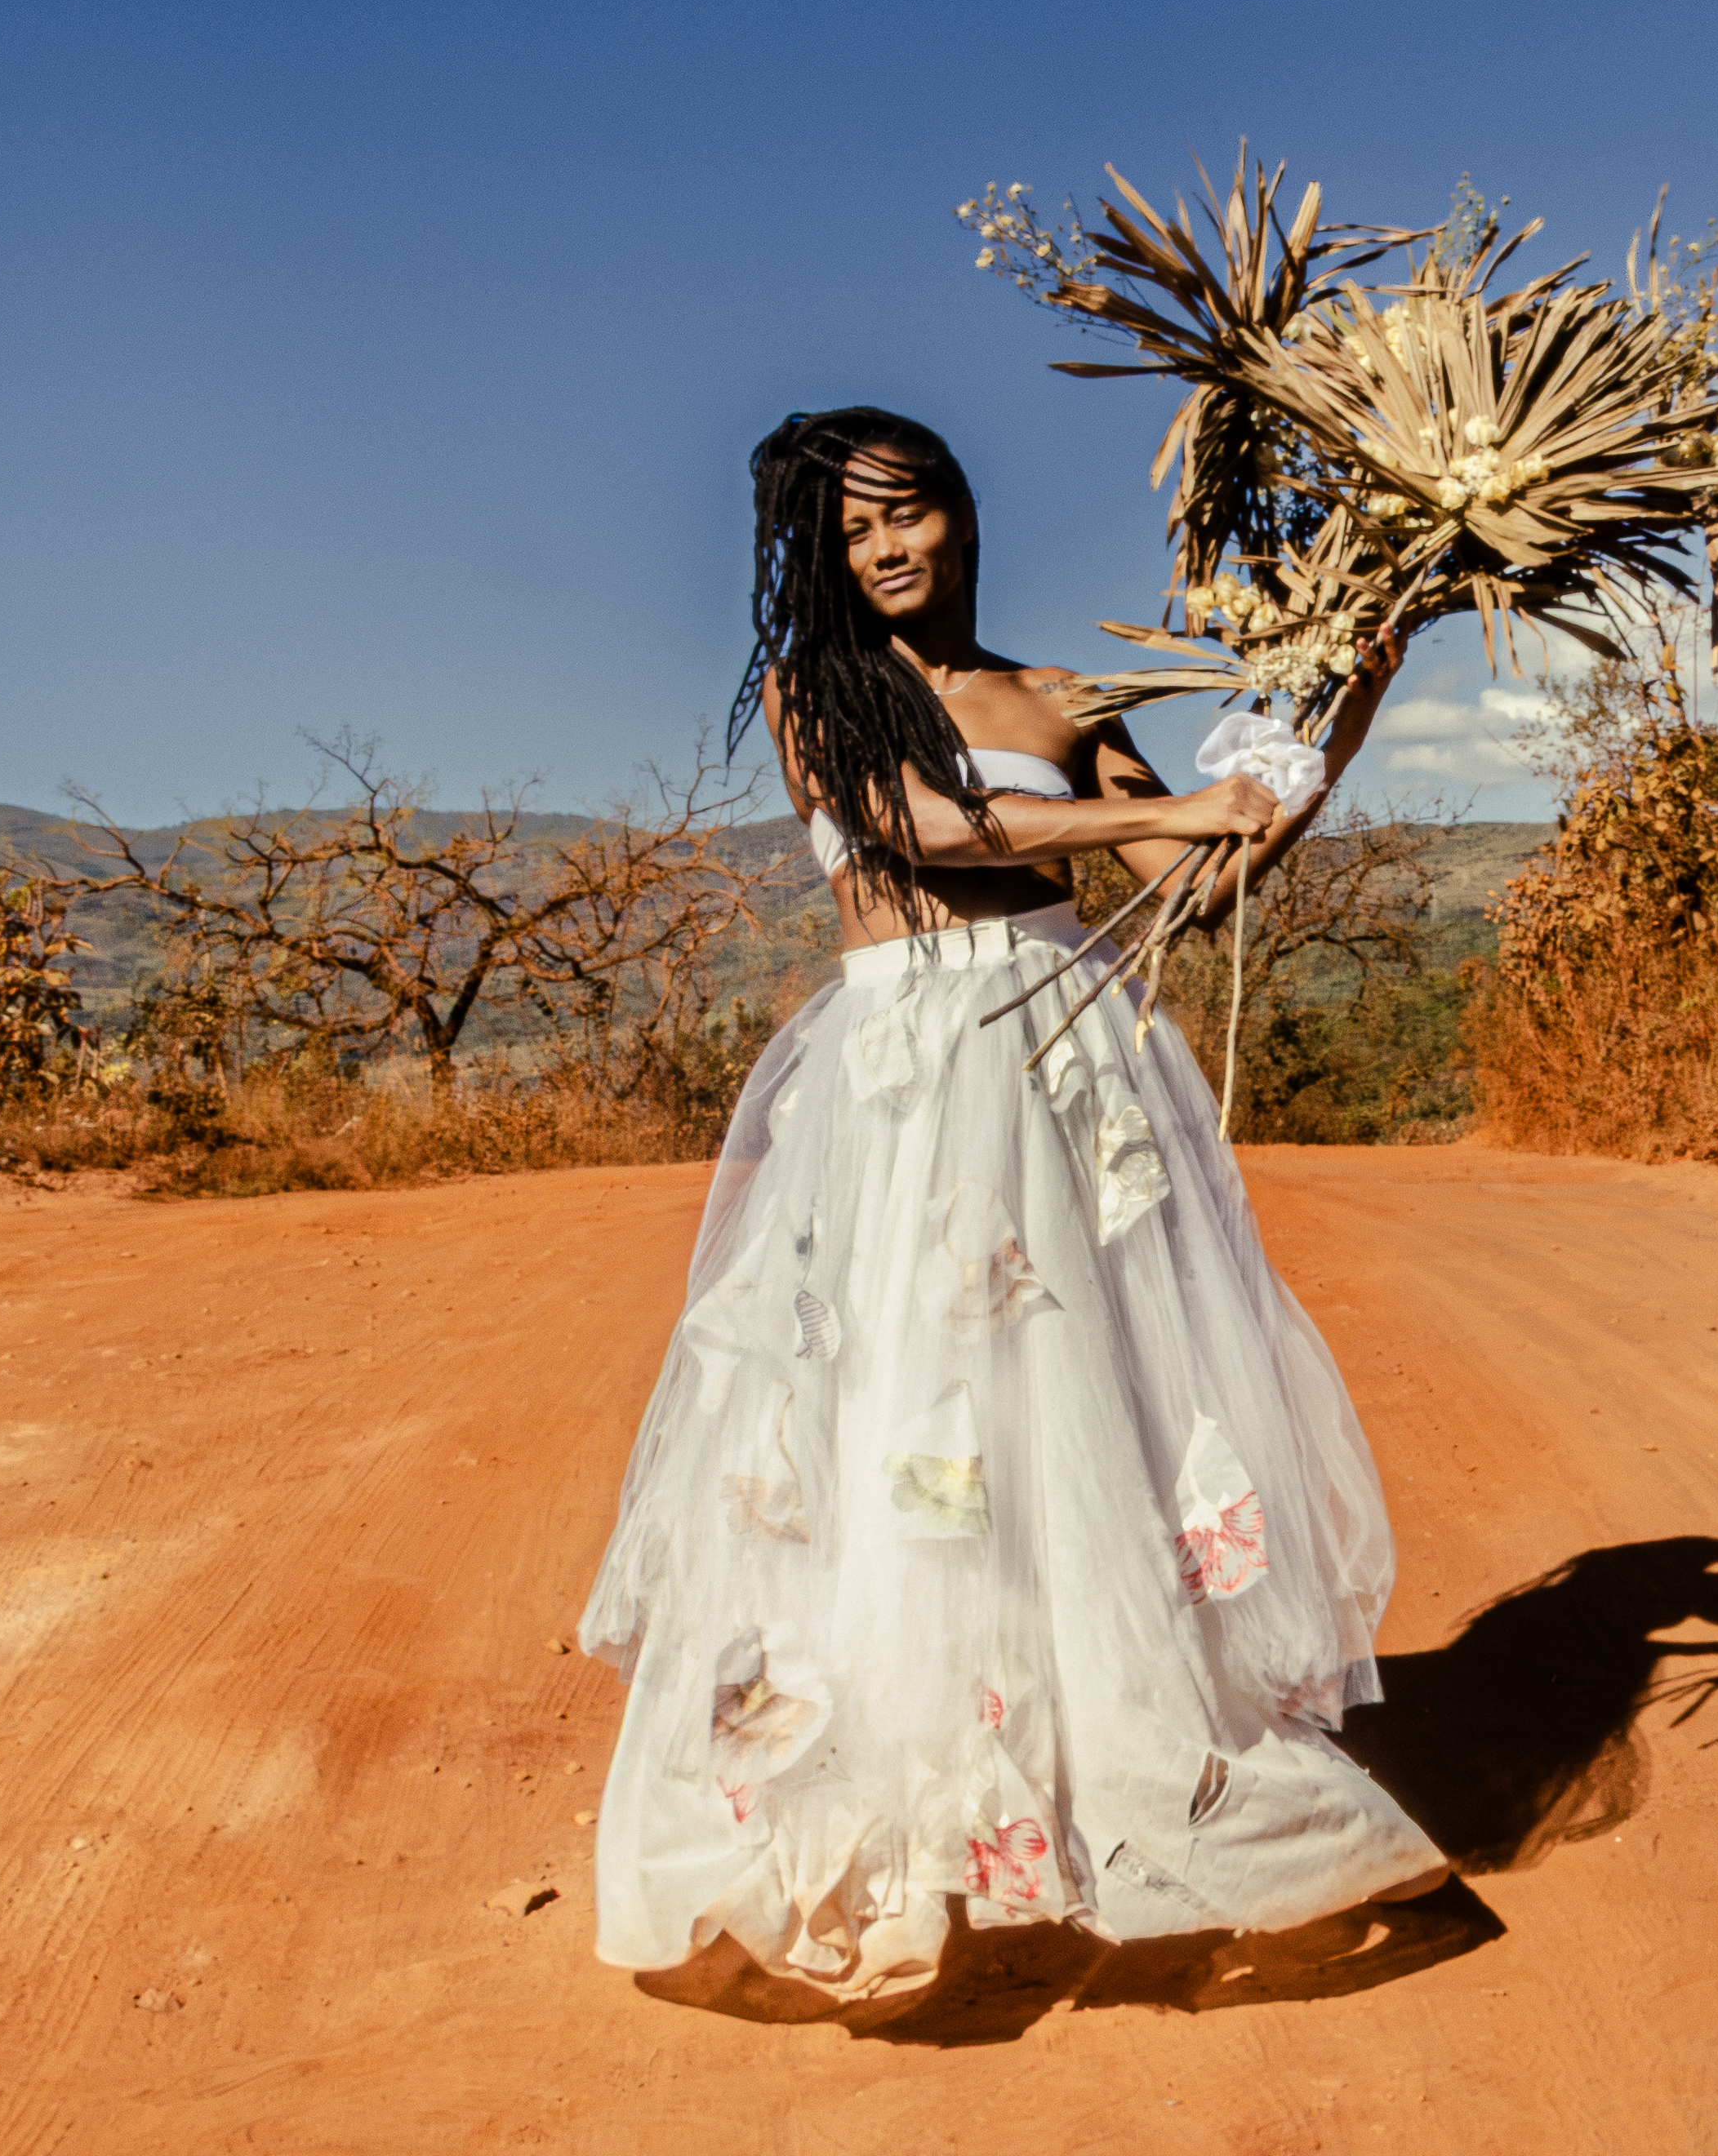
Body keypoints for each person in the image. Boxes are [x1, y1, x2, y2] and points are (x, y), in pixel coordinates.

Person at [575, 404, 1445, 2000]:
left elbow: (1202, 878)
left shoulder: (1061, 696)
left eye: (913, 512)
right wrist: (1154, 811)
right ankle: (886, 1825)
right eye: (854, 530)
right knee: (907, 1430)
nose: (891, 547)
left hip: (1064, 1076)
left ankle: (1141, 1786)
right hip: (914, 1083)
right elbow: (927, 828)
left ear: (969, 515)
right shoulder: (820, 695)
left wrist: (1354, 697)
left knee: (1084, 1431)